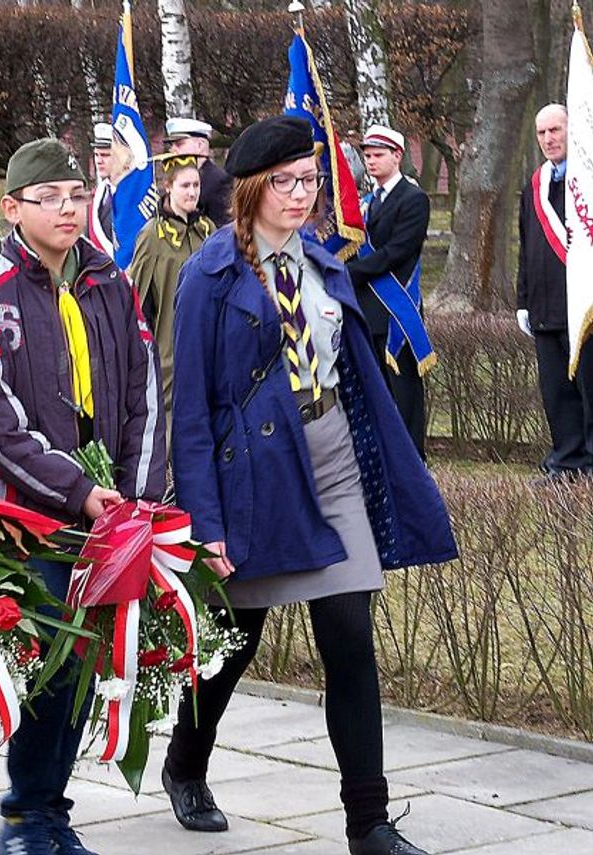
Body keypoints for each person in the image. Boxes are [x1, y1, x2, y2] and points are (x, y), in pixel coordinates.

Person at [165, 116, 457, 855]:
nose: (303, 195)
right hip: (256, 479)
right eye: (288, 182)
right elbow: (192, 408)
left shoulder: (322, 262)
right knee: (234, 643)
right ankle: (184, 763)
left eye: (312, 181)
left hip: (331, 460)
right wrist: (206, 520)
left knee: (350, 641)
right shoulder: (210, 274)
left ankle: (369, 823)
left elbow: (353, 375)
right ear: (254, 190)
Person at [0, 137, 166, 855]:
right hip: (28, 516)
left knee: (88, 657)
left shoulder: (110, 281)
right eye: (50, 198)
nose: (68, 208)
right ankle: (25, 814)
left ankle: (49, 809)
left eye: (78, 194)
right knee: (47, 655)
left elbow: (144, 390)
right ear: (13, 208)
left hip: (109, 512)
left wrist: (134, 495)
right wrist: (79, 491)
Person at [516, 103, 593, 478]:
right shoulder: (535, 185)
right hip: (546, 308)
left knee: (590, 389)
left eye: (555, 130)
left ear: (571, 130)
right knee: (557, 394)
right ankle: (567, 459)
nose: (548, 139)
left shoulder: (588, 181)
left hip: (584, 310)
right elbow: (526, 245)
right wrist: (522, 301)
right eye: (542, 133)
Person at [345, 124, 431, 459]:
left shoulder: (414, 199)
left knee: (405, 388)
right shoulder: (366, 204)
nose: (371, 161)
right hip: (368, 308)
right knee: (377, 388)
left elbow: (397, 252)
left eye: (378, 155)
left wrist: (348, 273)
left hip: (398, 308)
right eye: (367, 155)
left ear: (397, 156)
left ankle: (412, 456)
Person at [128, 153, 214, 432]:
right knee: (171, 429)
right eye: (185, 186)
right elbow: (139, 304)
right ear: (168, 187)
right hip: (170, 354)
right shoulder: (152, 236)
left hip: (209, 345)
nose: (192, 192)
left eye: (196, 186)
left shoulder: (208, 230)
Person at [166, 117, 232, 226]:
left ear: (200, 145)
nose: (172, 150)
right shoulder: (175, 179)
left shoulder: (218, 181)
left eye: (179, 144)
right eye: (172, 145)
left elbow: (224, 230)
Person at [85, 122, 115, 258]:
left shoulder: (134, 198)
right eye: (96, 155)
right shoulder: (96, 196)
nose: (99, 161)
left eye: (105, 155)